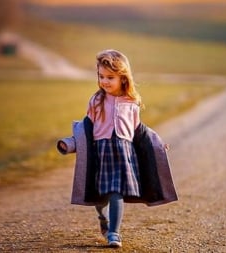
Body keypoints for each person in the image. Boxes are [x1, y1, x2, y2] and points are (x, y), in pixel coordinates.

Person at [57, 49, 177, 248]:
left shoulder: (132, 102)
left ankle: (114, 233)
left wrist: (157, 146)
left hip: (123, 155)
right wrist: (68, 144)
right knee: (100, 198)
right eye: (101, 76)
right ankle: (103, 218)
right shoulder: (96, 101)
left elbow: (139, 131)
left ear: (123, 78)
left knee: (116, 192)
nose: (104, 81)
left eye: (110, 77)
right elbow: (84, 131)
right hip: (101, 154)